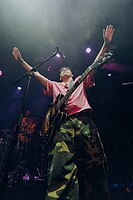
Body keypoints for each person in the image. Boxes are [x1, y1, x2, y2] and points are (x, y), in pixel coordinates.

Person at [12, 25, 114, 200]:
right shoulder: (54, 85)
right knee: (61, 169)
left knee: (95, 166)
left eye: (67, 69)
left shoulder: (81, 81)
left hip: (84, 122)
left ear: (72, 74)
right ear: (60, 76)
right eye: (62, 71)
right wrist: (21, 61)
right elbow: (35, 74)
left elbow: (94, 64)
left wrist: (105, 44)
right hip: (63, 127)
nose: (64, 70)